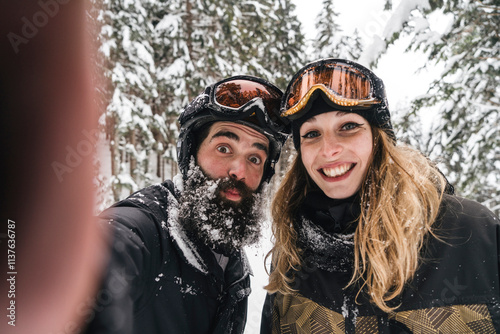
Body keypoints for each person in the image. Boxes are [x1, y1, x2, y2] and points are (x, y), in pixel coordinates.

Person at [261, 58, 500, 333]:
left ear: (379, 138)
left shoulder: (472, 232)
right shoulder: (293, 252)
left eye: (348, 126)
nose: (328, 150)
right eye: (312, 133)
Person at [84, 76, 289, 334]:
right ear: (191, 155)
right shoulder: (144, 232)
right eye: (224, 148)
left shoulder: (232, 262)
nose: (239, 171)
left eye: (255, 158)